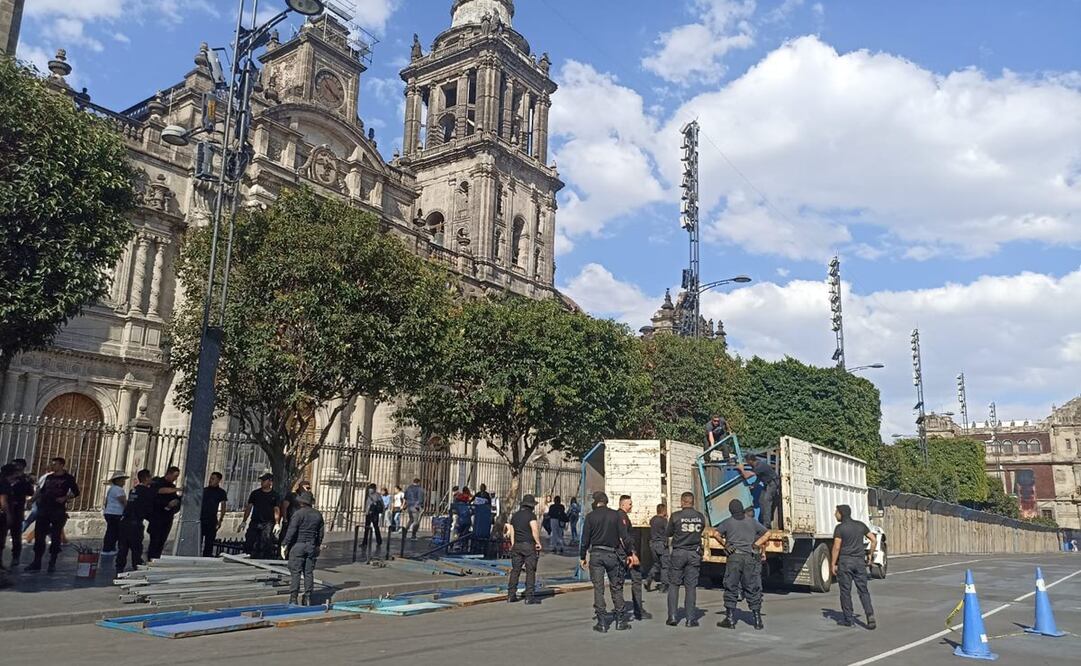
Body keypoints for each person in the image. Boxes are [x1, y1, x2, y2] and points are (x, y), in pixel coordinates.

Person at [580, 491, 631, 633]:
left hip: (596, 554)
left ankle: (602, 622)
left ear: (596, 502)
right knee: (616, 587)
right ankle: (620, 621)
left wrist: (582, 556)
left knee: (598, 588)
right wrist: (630, 553)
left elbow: (585, 540)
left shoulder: (590, 517)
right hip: (612, 554)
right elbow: (624, 537)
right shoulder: (615, 515)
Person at [716, 498, 769, 630]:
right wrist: (756, 544)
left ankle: (730, 619)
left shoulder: (728, 522)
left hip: (734, 557)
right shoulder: (752, 522)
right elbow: (767, 533)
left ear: (731, 510)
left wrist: (726, 544)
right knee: (752, 587)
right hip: (749, 557)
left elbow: (716, 534)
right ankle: (757, 620)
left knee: (731, 586)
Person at [28, 457, 79, 572]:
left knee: (56, 536)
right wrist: (32, 500)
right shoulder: (49, 477)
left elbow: (76, 492)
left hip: (57, 510)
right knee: (39, 535)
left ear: (61, 465)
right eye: (52, 464)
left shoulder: (68, 478)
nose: (53, 466)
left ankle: (52, 562)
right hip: (44, 508)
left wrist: (64, 497)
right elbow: (41, 491)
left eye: (55, 464)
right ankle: (37, 561)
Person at [831, 504, 877, 630]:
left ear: (841, 513)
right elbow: (873, 540)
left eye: (836, 512)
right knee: (863, 590)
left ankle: (848, 619)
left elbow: (836, 547)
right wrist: (870, 555)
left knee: (845, 591)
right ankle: (870, 616)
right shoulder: (860, 525)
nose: (835, 514)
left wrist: (833, 563)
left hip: (845, 562)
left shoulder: (840, 528)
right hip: (859, 562)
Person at [666, 492, 707, 627]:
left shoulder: (676, 516)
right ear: (693, 502)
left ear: (682, 502)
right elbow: (701, 531)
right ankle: (690, 619)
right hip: (693, 553)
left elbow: (668, 533)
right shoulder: (700, 517)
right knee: (691, 586)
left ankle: (672, 617)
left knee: (674, 584)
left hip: (678, 552)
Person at [283, 491, 324, 606]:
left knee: (296, 572)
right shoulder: (318, 515)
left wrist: (284, 543)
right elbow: (321, 533)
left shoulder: (298, 514)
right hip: (311, 546)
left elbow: (292, 530)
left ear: (301, 502)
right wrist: (317, 545)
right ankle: (308, 598)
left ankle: (293, 598)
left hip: (298, 545)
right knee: (308, 572)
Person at [505, 494, 542, 605]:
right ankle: (529, 597)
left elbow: (512, 532)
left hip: (517, 546)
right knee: (530, 571)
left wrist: (513, 544)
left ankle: (511, 595)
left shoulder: (515, 516)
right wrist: (538, 543)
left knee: (515, 570)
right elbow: (535, 531)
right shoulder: (531, 516)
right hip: (529, 546)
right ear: (531, 506)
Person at [617, 495, 649, 620]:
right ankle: (638, 611)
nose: (631, 506)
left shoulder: (618, 516)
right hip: (626, 553)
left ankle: (624, 611)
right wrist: (632, 554)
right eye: (629, 504)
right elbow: (624, 537)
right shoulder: (622, 517)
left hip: (623, 553)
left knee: (619, 582)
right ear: (623, 504)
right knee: (636, 579)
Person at [116, 469, 153, 574]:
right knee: (136, 548)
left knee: (123, 547)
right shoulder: (146, 491)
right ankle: (137, 567)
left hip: (124, 522)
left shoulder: (134, 490)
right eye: (150, 477)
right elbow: (148, 508)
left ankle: (119, 568)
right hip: (135, 523)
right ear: (146, 478)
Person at [240, 473, 281, 559]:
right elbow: (249, 507)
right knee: (250, 539)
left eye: (264, 480)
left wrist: (277, 523)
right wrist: (244, 521)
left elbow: (276, 509)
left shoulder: (274, 495)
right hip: (255, 521)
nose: (262, 482)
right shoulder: (255, 493)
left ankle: (263, 558)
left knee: (265, 541)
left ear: (270, 482)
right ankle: (248, 555)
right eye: (261, 480)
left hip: (268, 523)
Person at [0, 462, 33, 568]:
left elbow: (30, 492)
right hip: (6, 513)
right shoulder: (3, 482)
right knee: (1, 537)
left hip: (17, 511)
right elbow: (3, 500)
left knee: (16, 536)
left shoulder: (24, 481)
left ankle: (15, 557)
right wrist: (8, 513)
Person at [146, 466, 181, 561]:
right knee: (155, 541)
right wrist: (167, 505)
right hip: (157, 517)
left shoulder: (172, 487)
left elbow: (176, 500)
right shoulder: (157, 483)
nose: (175, 479)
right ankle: (151, 560)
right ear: (168, 474)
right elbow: (158, 495)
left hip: (167, 518)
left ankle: (156, 559)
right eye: (175, 476)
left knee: (162, 541)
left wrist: (175, 503)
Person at [740, 453, 780, 529]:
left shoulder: (760, 466)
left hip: (772, 484)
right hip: (767, 484)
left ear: (751, 461)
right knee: (761, 501)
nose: (746, 463)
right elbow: (759, 477)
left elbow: (746, 475)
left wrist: (741, 469)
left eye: (747, 461)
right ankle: (763, 521)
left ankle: (767, 525)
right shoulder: (756, 465)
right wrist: (754, 485)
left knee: (766, 501)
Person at [200, 472, 228, 557]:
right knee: (198, 539)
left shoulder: (221, 492)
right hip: (201, 518)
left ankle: (207, 555)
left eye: (213, 479)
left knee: (210, 541)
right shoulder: (204, 490)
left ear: (218, 480)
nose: (210, 480)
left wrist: (220, 520)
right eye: (210, 478)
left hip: (212, 519)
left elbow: (223, 507)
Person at [279, 480, 312, 548]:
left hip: (302, 522)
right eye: (307, 488)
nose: (308, 490)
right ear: (301, 487)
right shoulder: (292, 495)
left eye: (309, 488)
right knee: (286, 535)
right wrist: (285, 519)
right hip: (291, 520)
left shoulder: (308, 496)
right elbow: (284, 506)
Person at [101, 472, 129, 555]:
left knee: (111, 531)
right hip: (116, 513)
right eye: (122, 480)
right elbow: (123, 501)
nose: (124, 482)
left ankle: (110, 548)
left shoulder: (111, 489)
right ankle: (108, 549)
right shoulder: (119, 490)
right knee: (113, 532)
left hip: (109, 512)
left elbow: (106, 502)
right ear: (118, 481)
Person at [646, 503, 669, 593]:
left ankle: (649, 578)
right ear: (663, 511)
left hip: (653, 544)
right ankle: (664, 585)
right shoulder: (664, 521)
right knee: (665, 565)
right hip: (661, 544)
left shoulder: (653, 520)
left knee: (656, 564)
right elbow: (668, 532)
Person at [362, 483, 383, 548]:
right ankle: (365, 542)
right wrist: (366, 512)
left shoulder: (377, 495)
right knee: (367, 528)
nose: (370, 489)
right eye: (370, 488)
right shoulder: (368, 495)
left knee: (375, 527)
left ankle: (379, 541)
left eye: (371, 488)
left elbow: (380, 504)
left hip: (374, 513)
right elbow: (367, 505)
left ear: (374, 489)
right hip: (368, 513)